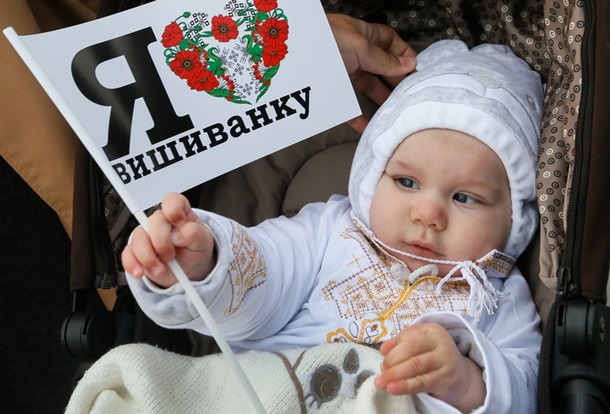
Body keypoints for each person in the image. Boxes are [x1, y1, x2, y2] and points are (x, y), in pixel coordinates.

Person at [122, 39, 543, 413]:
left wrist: (465, 383)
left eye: (464, 197)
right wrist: (205, 264)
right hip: (270, 393)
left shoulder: (499, 299)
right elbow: (264, 274)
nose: (427, 214)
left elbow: (525, 389)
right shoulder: (331, 232)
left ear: (513, 216)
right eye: (406, 182)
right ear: (372, 175)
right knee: (134, 373)